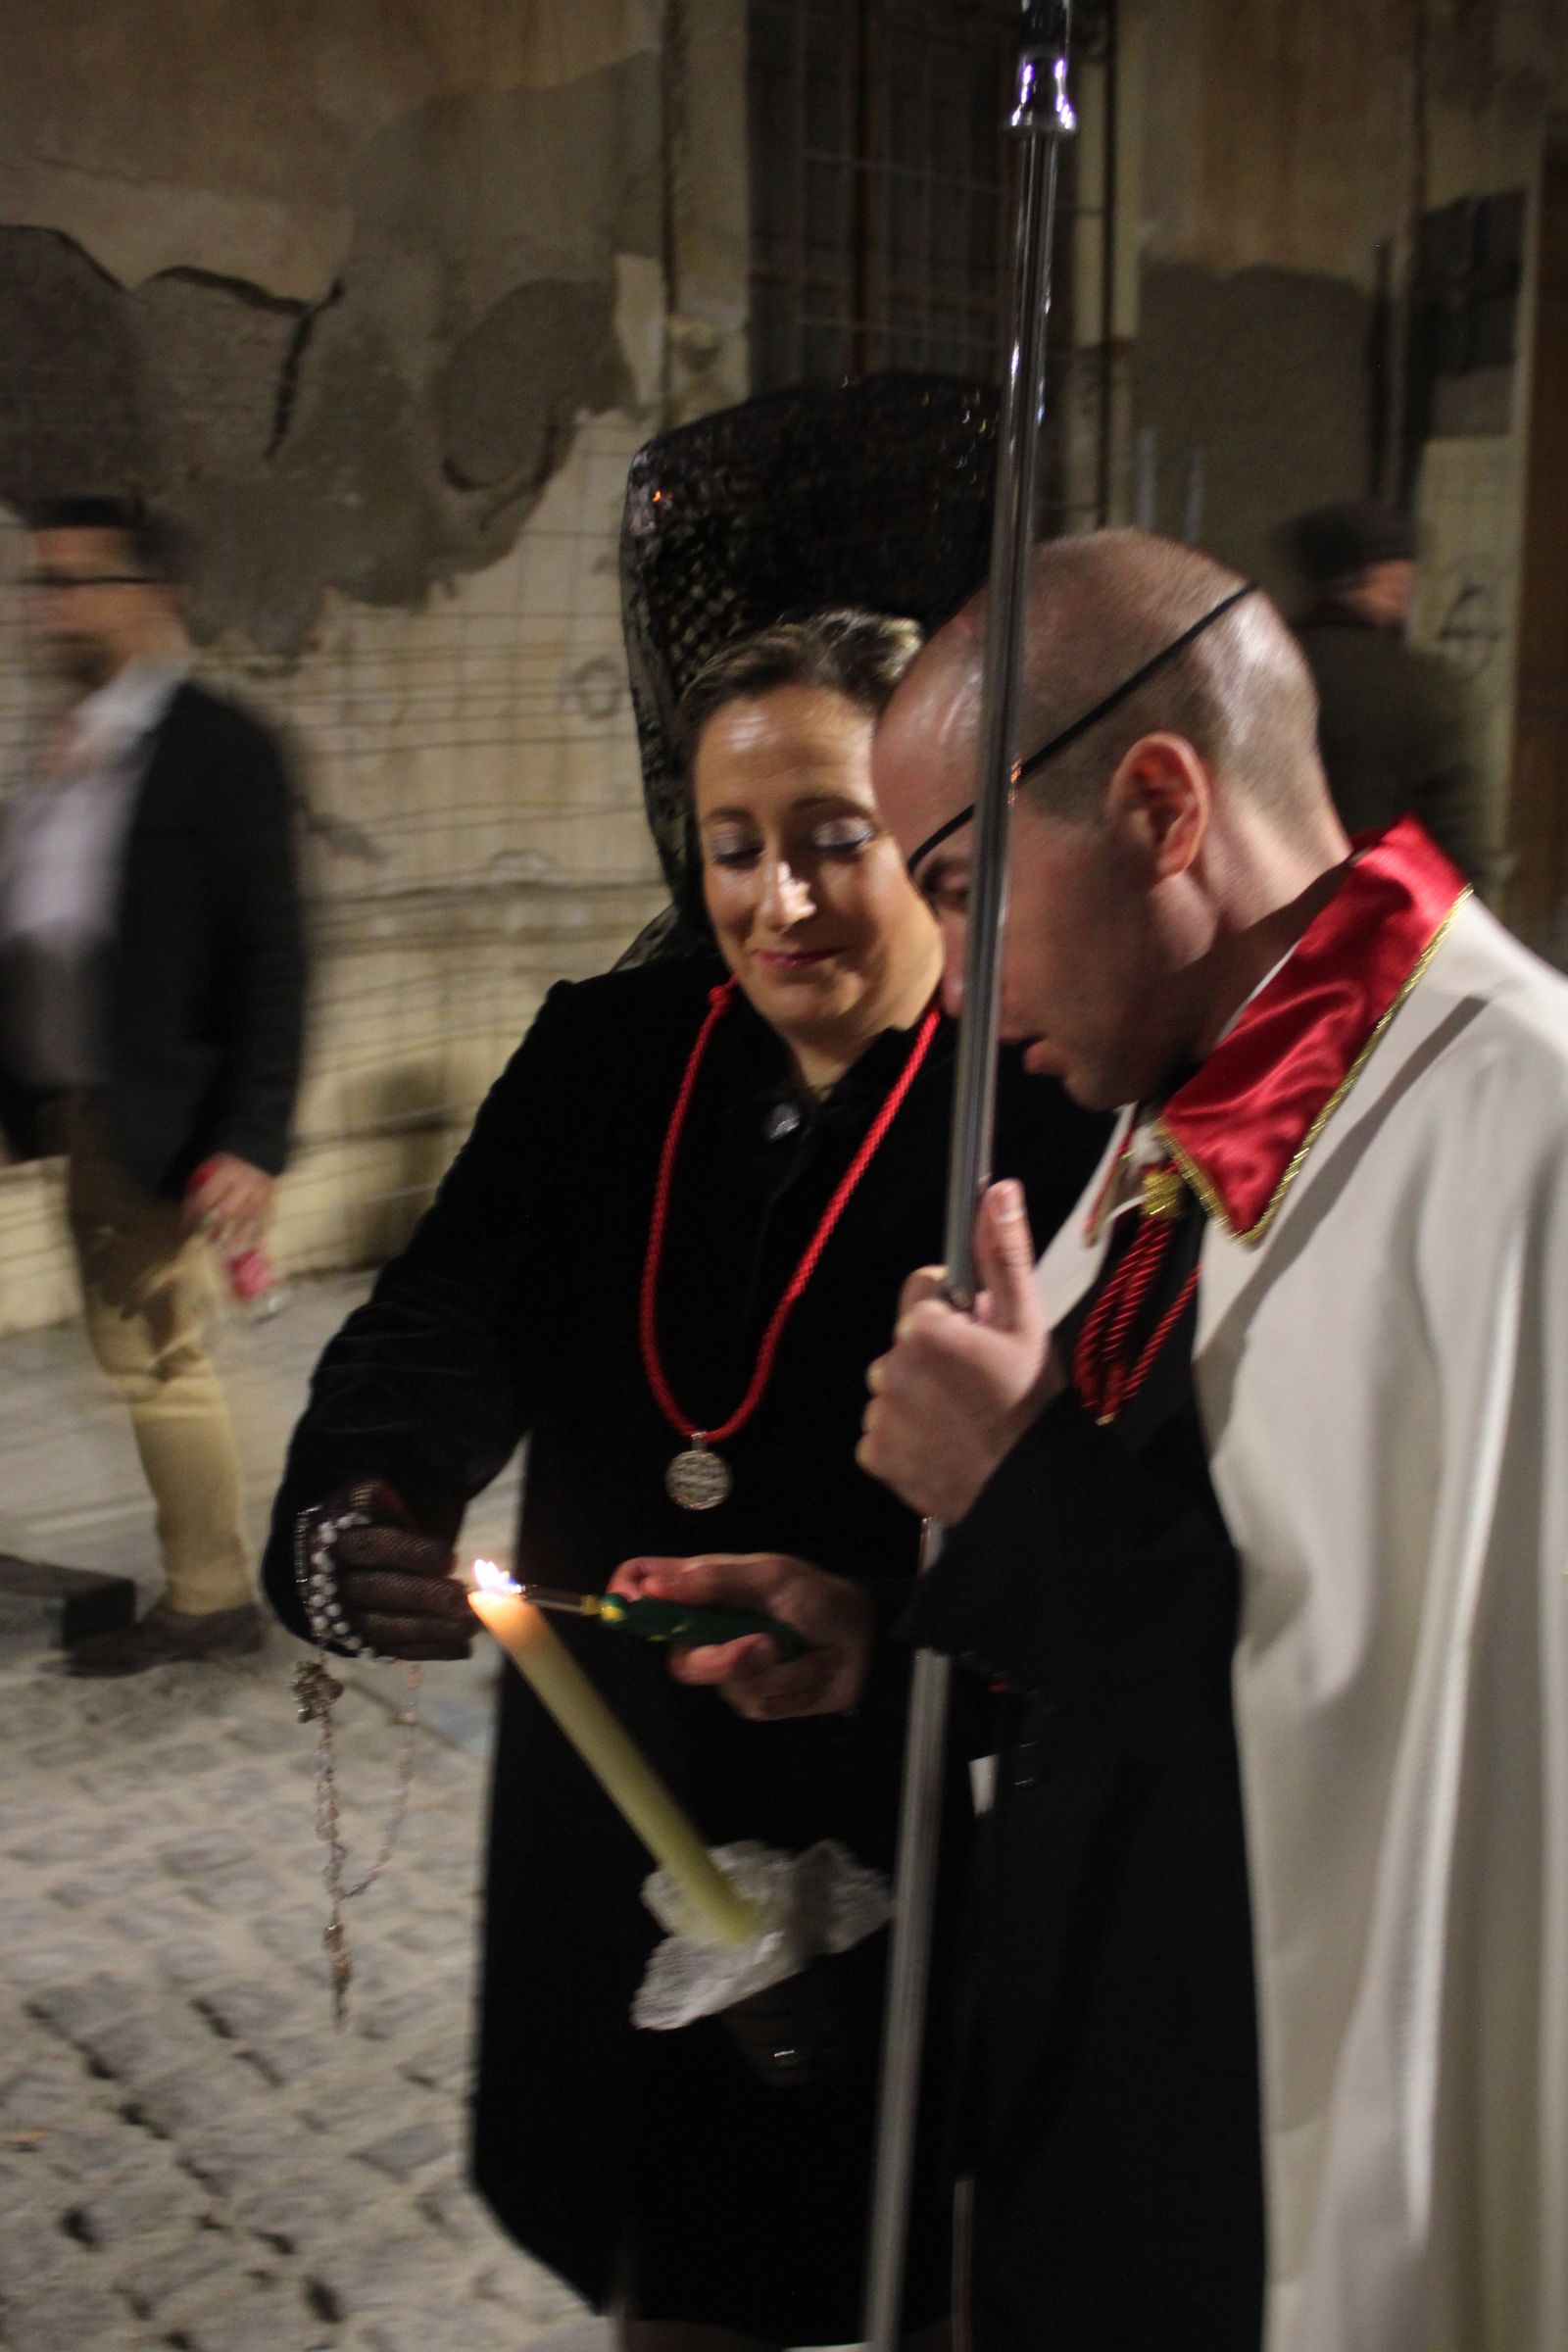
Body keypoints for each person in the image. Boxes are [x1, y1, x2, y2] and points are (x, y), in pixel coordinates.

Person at [636, 530, 1568, 2350]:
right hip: (1089, 2130)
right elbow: (1173, 1641)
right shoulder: (1196, 1116)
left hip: (1283, 2192)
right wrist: (892, 1643)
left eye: (965, 883)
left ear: (1159, 806)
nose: (956, 975)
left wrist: (1019, 1506)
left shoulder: (1516, 1143)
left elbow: (1451, 1787)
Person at [261, 607, 1107, 2349]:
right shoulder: (610, 1058)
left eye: (834, 843)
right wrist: (362, 1499)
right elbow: (445, 1309)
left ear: (937, 844)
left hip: (894, 1791)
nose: (777, 903)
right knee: (674, 2267)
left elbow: (1093, 1502)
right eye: (735, 850)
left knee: (902, 2261)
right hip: (622, 1796)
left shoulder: (1038, 1102)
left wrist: (900, 1619)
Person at [0, 494, 306, 1676]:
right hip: (80, 1110)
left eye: (78, 581)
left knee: (162, 1363)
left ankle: (212, 1596)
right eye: (43, 583)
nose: (51, 608)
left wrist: (253, 1140)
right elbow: (51, 926)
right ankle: (209, 1578)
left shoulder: (219, 749)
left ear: (152, 598)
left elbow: (272, 958)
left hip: (163, 1119)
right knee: (138, 1357)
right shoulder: (77, 741)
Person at [1287, 499, 1489, 885]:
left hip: (1266, 918)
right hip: (1377, 919)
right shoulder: (1419, 686)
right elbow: (1457, 836)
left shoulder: (1259, 668)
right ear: (1380, 576)